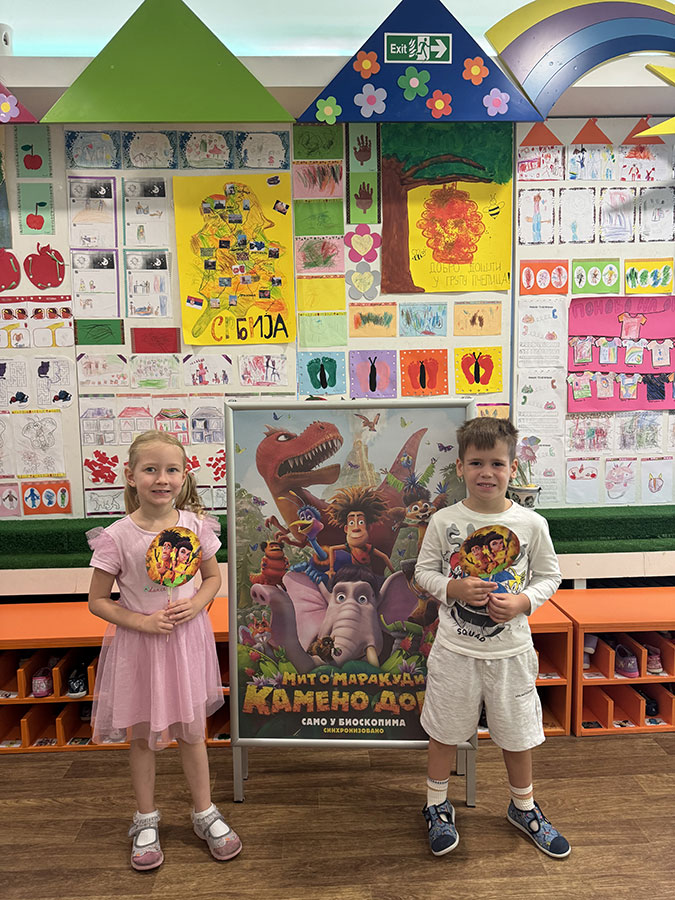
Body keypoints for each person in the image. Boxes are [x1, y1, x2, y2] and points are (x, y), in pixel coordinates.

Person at [414, 417, 569, 859]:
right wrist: (453, 588)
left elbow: (550, 576)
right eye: (476, 463)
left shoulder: (532, 524)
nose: (487, 472)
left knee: (518, 734)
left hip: (511, 652)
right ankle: (437, 804)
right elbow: (423, 572)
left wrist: (522, 602)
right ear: (460, 467)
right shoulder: (444, 521)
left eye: (497, 463)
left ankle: (524, 807)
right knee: (444, 731)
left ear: (513, 468)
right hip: (454, 651)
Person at [87, 430, 242, 870]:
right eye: (151, 469)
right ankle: (145, 818)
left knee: (193, 733)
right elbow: (97, 601)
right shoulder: (117, 536)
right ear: (130, 475)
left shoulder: (195, 526)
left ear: (185, 475)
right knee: (142, 738)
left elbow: (212, 578)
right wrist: (142, 621)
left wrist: (197, 602)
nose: (162, 479)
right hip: (140, 648)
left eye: (172, 470)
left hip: (186, 645)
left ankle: (204, 811)